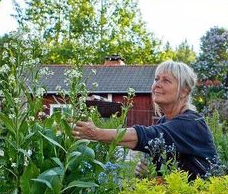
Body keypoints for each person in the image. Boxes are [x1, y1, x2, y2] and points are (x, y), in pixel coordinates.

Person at [72, 60, 218, 179]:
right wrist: (149, 173)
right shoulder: (164, 121)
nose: (157, 85)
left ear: (184, 91)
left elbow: (144, 135)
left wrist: (98, 134)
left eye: (166, 80)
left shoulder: (191, 123)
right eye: (156, 79)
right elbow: (168, 175)